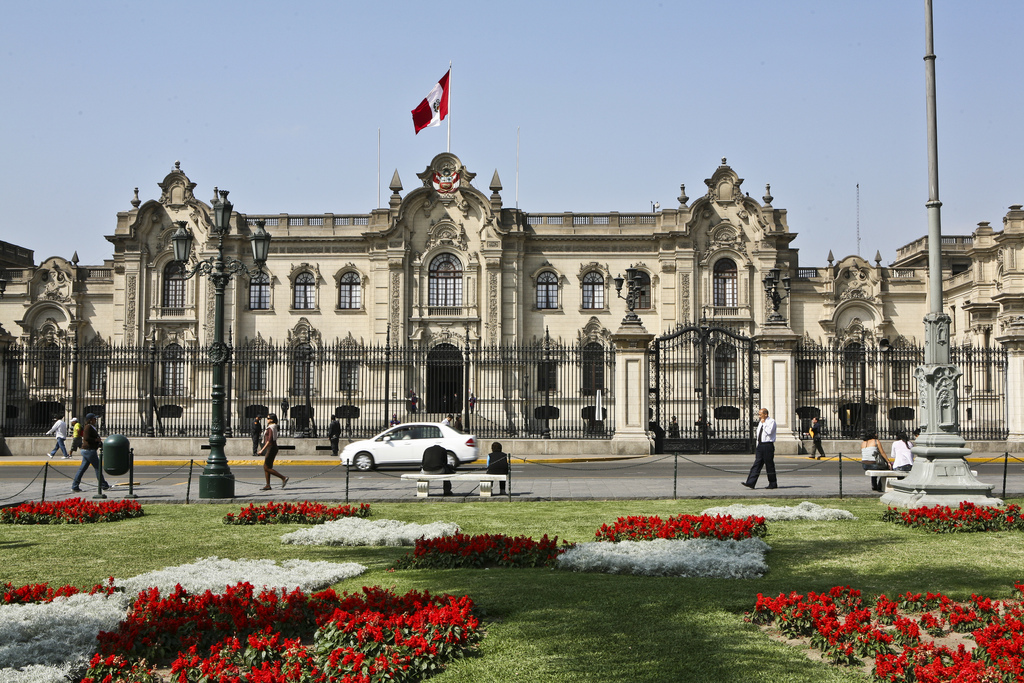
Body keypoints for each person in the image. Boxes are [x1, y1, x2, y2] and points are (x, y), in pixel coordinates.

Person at [71, 414, 110, 492]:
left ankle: (75, 486)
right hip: (89, 450)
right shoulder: (88, 427)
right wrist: (96, 440)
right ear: (90, 419)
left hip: (87, 450)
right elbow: (86, 438)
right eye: (94, 419)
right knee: (97, 467)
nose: (95, 420)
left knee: (82, 469)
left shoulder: (91, 427)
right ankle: (103, 484)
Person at [742, 408, 778, 490]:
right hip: (761, 446)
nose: (759, 416)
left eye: (760, 414)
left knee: (769, 465)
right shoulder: (760, 422)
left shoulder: (771, 422)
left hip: (767, 445)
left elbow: (769, 432)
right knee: (757, 464)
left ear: (765, 414)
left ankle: (773, 483)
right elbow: (759, 434)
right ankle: (751, 482)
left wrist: (764, 423)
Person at [258, 413, 288, 490]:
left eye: (268, 418)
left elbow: (269, 440)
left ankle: (283, 478)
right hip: (272, 448)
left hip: (271, 448)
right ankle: (268, 485)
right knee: (268, 466)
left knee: (266, 467)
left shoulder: (271, 427)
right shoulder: (272, 427)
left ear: (272, 419)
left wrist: (262, 450)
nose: (267, 420)